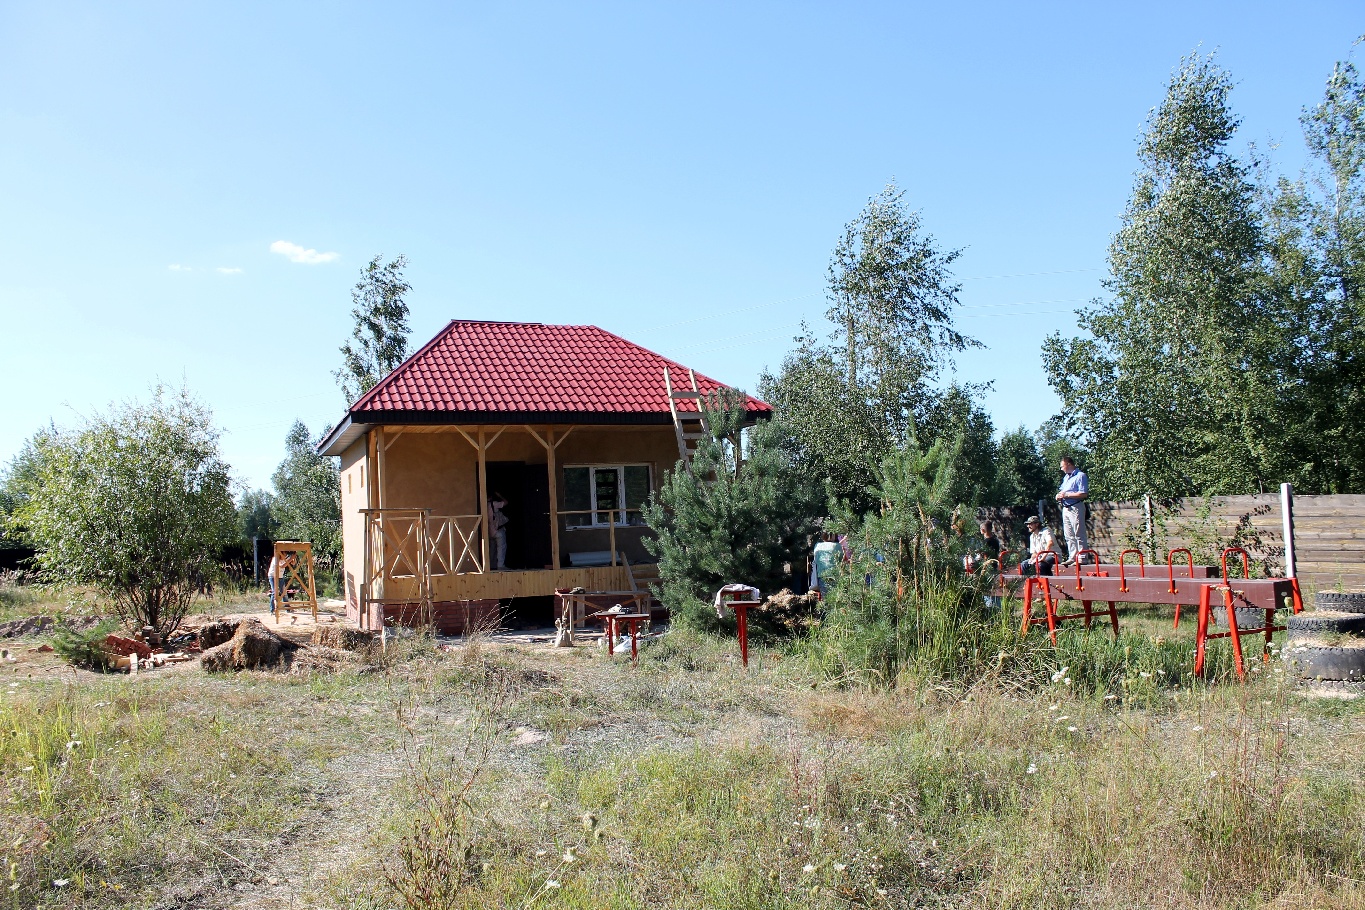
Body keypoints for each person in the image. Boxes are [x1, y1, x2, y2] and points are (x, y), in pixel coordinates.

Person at [1055, 455, 1090, 564]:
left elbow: (1083, 493)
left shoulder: (1080, 476)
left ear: (1069, 464)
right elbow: (1062, 491)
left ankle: (1082, 557)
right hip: (1065, 508)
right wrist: (1058, 495)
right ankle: (1073, 557)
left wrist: (1067, 495)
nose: (1061, 469)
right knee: (1068, 534)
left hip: (1076, 506)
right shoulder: (1066, 478)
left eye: (1062, 466)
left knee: (1078, 533)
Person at [489, 493, 509, 570]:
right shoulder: (494, 504)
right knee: (501, 548)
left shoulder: (484, 506)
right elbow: (505, 502)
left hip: (490, 530)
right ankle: (500, 565)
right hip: (498, 530)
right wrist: (499, 495)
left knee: (492, 549)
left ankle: (492, 566)